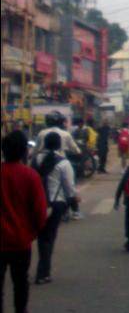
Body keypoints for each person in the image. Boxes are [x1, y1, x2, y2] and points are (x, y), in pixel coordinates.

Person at [1, 130, 47, 313]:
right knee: (20, 283)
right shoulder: (30, 176)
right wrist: (32, 233)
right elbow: (40, 212)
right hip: (21, 241)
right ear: (23, 151)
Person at [34, 132, 78, 284]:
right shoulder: (63, 163)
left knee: (41, 237)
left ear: (44, 143)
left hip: (37, 204)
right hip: (56, 204)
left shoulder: (35, 159)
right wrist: (74, 203)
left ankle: (43, 270)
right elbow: (69, 188)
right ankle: (43, 272)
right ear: (59, 145)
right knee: (49, 237)